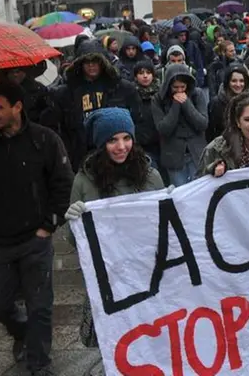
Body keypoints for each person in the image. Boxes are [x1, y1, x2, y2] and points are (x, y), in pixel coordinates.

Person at [0, 81, 73, 376]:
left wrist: (49, 224)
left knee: (40, 304)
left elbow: (63, 182)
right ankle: (21, 330)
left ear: (17, 107)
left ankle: (39, 362)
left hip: (34, 238)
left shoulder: (45, 140)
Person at [63, 108, 164, 347]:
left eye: (126, 138)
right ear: (100, 144)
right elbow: (74, 240)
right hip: (110, 275)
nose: (121, 146)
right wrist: (74, 220)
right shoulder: (84, 181)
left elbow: (164, 228)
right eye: (112, 140)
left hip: (147, 270)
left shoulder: (151, 177)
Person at [46, 41, 140, 172]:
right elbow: (58, 128)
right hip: (81, 155)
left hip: (116, 153)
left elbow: (136, 119)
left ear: (103, 62)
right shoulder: (66, 93)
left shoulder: (122, 87)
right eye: (86, 62)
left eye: (95, 61)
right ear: (80, 64)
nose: (91, 65)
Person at [152, 63, 209, 186]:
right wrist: (176, 105)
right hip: (174, 156)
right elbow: (163, 129)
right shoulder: (157, 99)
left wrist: (187, 104)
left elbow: (202, 124)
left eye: (182, 87)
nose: (179, 91)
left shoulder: (197, 94)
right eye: (175, 87)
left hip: (196, 154)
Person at [207, 66, 249, 142]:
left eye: (241, 81)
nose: (238, 84)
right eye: (234, 81)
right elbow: (211, 131)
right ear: (227, 82)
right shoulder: (217, 102)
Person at [132, 60, 162, 171]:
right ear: (135, 76)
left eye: (148, 73)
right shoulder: (131, 94)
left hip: (163, 143)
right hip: (143, 145)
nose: (145, 76)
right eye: (141, 73)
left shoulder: (162, 92)